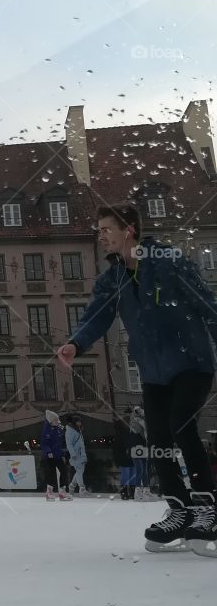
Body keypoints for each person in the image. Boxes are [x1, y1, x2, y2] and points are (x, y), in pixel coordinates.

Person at [58, 204, 217, 552]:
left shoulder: (167, 260)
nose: (100, 236)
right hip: (154, 371)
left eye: (105, 229)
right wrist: (75, 344)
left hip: (192, 362)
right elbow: (96, 317)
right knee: (158, 436)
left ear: (128, 230)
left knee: (180, 425)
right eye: (98, 230)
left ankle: (207, 508)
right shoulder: (112, 277)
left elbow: (207, 303)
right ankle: (180, 510)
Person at [40, 409, 72, 500]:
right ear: (50, 421)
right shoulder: (46, 430)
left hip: (58, 455)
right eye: (55, 420)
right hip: (50, 456)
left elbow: (60, 442)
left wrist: (62, 453)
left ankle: (62, 492)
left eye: (57, 420)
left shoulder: (58, 429)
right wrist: (48, 452)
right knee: (51, 473)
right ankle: (49, 492)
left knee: (64, 471)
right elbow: (44, 443)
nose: (57, 421)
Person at [65, 414, 88, 495]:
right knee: (79, 471)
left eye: (80, 421)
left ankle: (72, 486)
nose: (80, 423)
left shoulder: (78, 429)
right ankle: (82, 488)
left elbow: (80, 443)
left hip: (81, 453)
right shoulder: (70, 431)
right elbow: (69, 443)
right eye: (78, 422)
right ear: (75, 422)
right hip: (76, 454)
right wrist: (73, 454)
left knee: (80, 471)